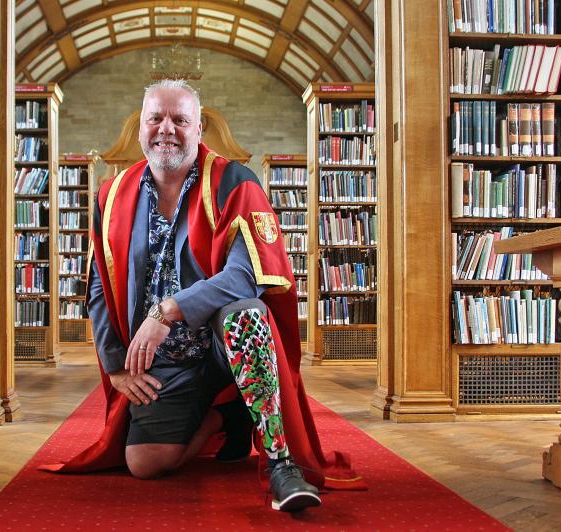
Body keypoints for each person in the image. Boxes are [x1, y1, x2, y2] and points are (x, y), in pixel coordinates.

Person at [40, 79, 360, 512]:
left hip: (224, 348)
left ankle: (280, 463)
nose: (166, 129)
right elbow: (98, 285)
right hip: (164, 362)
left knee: (245, 314)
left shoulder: (234, 181)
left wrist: (167, 310)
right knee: (144, 462)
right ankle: (222, 419)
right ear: (141, 129)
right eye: (155, 118)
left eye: (180, 120)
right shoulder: (111, 196)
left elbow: (247, 275)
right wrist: (115, 366)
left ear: (199, 129)